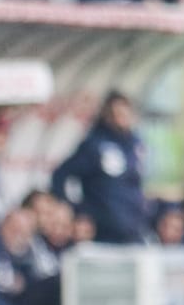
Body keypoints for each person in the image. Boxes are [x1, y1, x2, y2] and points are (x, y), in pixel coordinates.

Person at [51, 90, 148, 246]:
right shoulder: (95, 145)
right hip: (103, 232)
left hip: (132, 229)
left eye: (125, 112)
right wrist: (77, 210)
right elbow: (61, 174)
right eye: (117, 113)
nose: (122, 117)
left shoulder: (135, 144)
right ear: (107, 115)